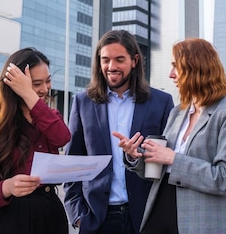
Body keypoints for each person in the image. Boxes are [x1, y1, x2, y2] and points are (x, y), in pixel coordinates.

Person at [115, 38, 226, 234]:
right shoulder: (178, 112)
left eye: (176, 67)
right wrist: (137, 156)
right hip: (161, 215)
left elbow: (225, 179)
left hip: (204, 223)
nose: (171, 74)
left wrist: (172, 158)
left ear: (196, 68)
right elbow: (159, 169)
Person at [64, 30, 174, 234]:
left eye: (119, 59)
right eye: (105, 60)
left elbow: (166, 165)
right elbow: (73, 163)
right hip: (97, 220)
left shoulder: (161, 102)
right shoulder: (82, 102)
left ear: (134, 61)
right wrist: (78, 216)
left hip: (146, 219)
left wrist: (138, 156)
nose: (111, 67)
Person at [0, 47, 71, 234]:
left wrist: (30, 96)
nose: (44, 89)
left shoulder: (50, 116)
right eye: (36, 84)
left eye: (48, 81)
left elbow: (63, 137)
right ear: (15, 84)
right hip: (11, 216)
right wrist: (8, 186)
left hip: (50, 211)